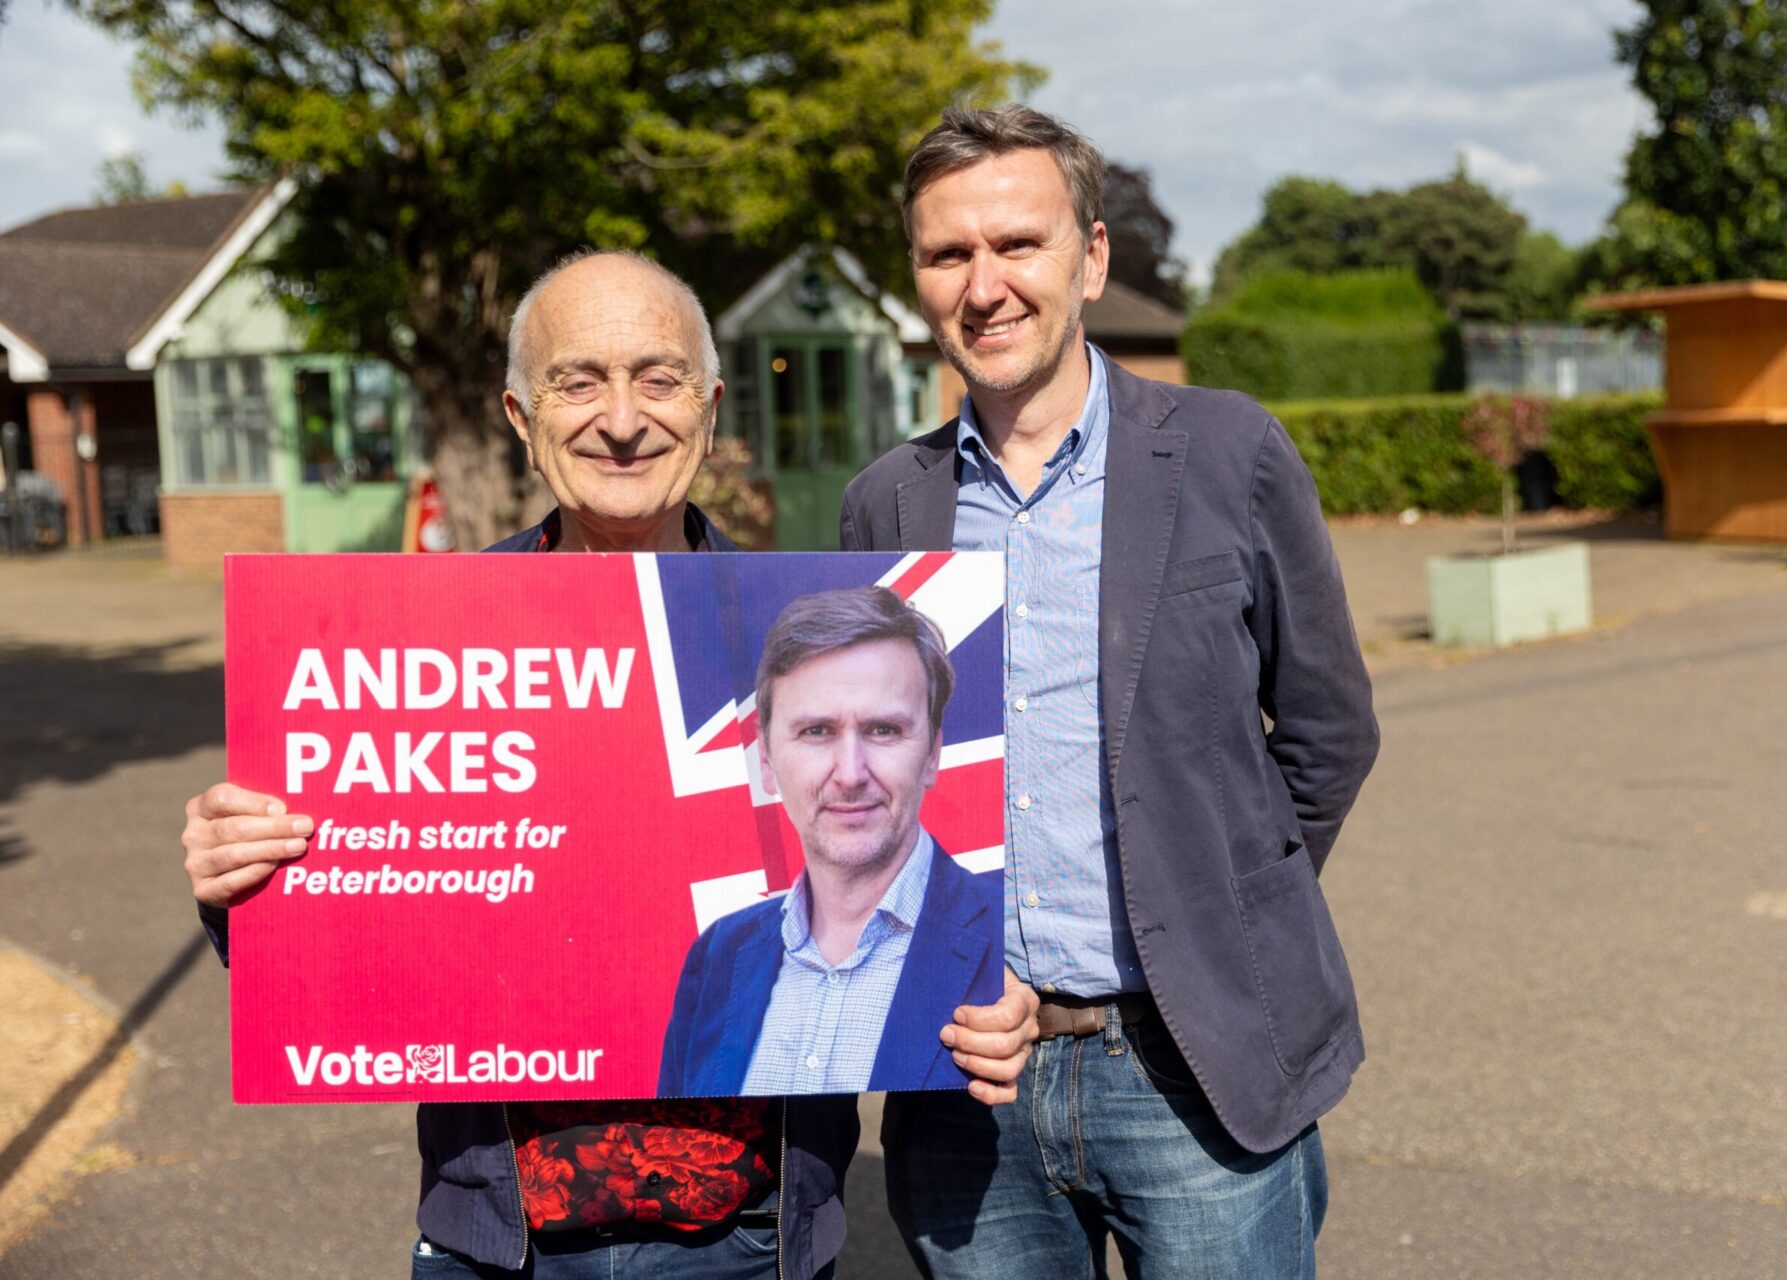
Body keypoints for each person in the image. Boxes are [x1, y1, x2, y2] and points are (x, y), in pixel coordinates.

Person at [180, 250, 1039, 1279]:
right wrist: (249, 879)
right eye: (577, 379)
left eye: (659, 377)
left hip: (747, 1241)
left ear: (710, 410)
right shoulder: (423, 642)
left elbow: (909, 904)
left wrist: (983, 1002)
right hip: (501, 1245)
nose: (622, 419)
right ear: (519, 415)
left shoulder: (808, 639)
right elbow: (345, 935)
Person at [840, 106, 1380, 1278]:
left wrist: (1219, 918)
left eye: (1017, 244)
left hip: (1195, 1063)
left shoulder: (1230, 451)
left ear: (1089, 258)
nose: (984, 285)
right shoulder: (884, 502)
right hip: (969, 1080)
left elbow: (1330, 730)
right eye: (947, 254)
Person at [659, 586, 1000, 1098]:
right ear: (768, 762)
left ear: (932, 754)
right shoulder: (718, 958)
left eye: (884, 730)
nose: (850, 773)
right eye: (817, 731)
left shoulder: (1008, 939)